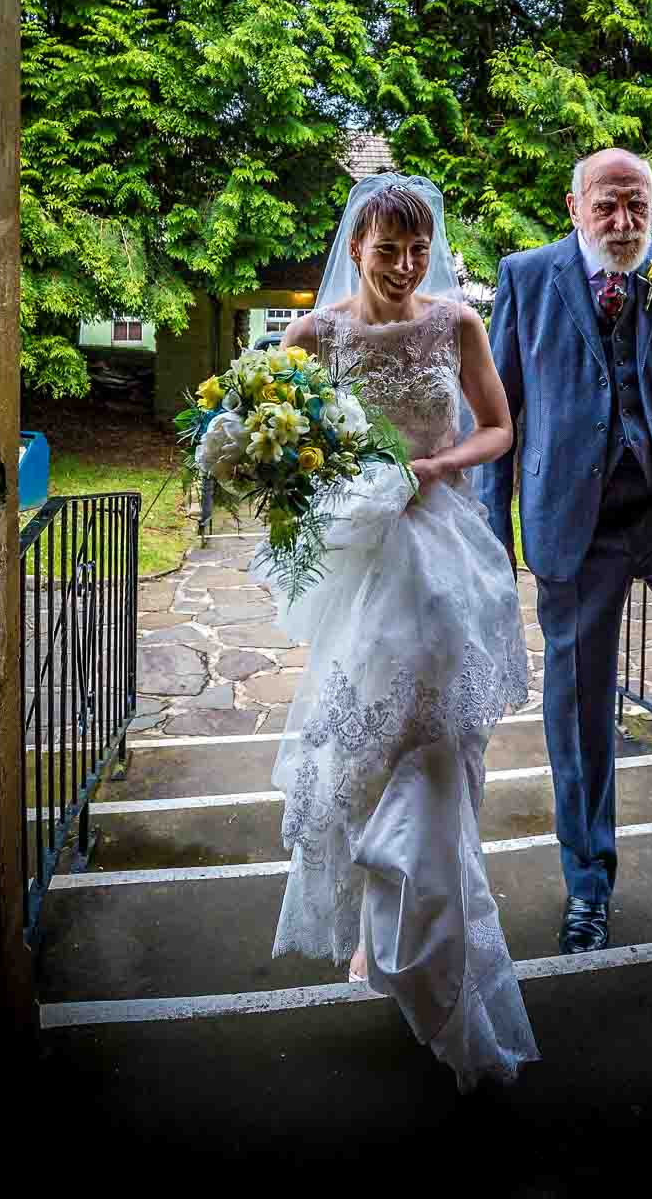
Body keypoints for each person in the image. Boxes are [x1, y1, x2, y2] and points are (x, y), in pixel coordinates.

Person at [256, 174, 539, 1092]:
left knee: (440, 742)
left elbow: (497, 427)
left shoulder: (456, 323)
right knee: (363, 747)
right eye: (389, 250)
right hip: (361, 558)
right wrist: (315, 493)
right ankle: (379, 927)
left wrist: (438, 463)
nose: (405, 266)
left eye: (419, 250)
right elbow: (278, 445)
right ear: (358, 245)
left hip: (443, 547)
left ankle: (424, 925)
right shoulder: (315, 334)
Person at [478, 148, 652, 954]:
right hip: (577, 523)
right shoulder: (527, 278)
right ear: (574, 208)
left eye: (636, 206)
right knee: (580, 711)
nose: (623, 222)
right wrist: (493, 538)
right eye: (606, 206)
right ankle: (589, 885)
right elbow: (496, 420)